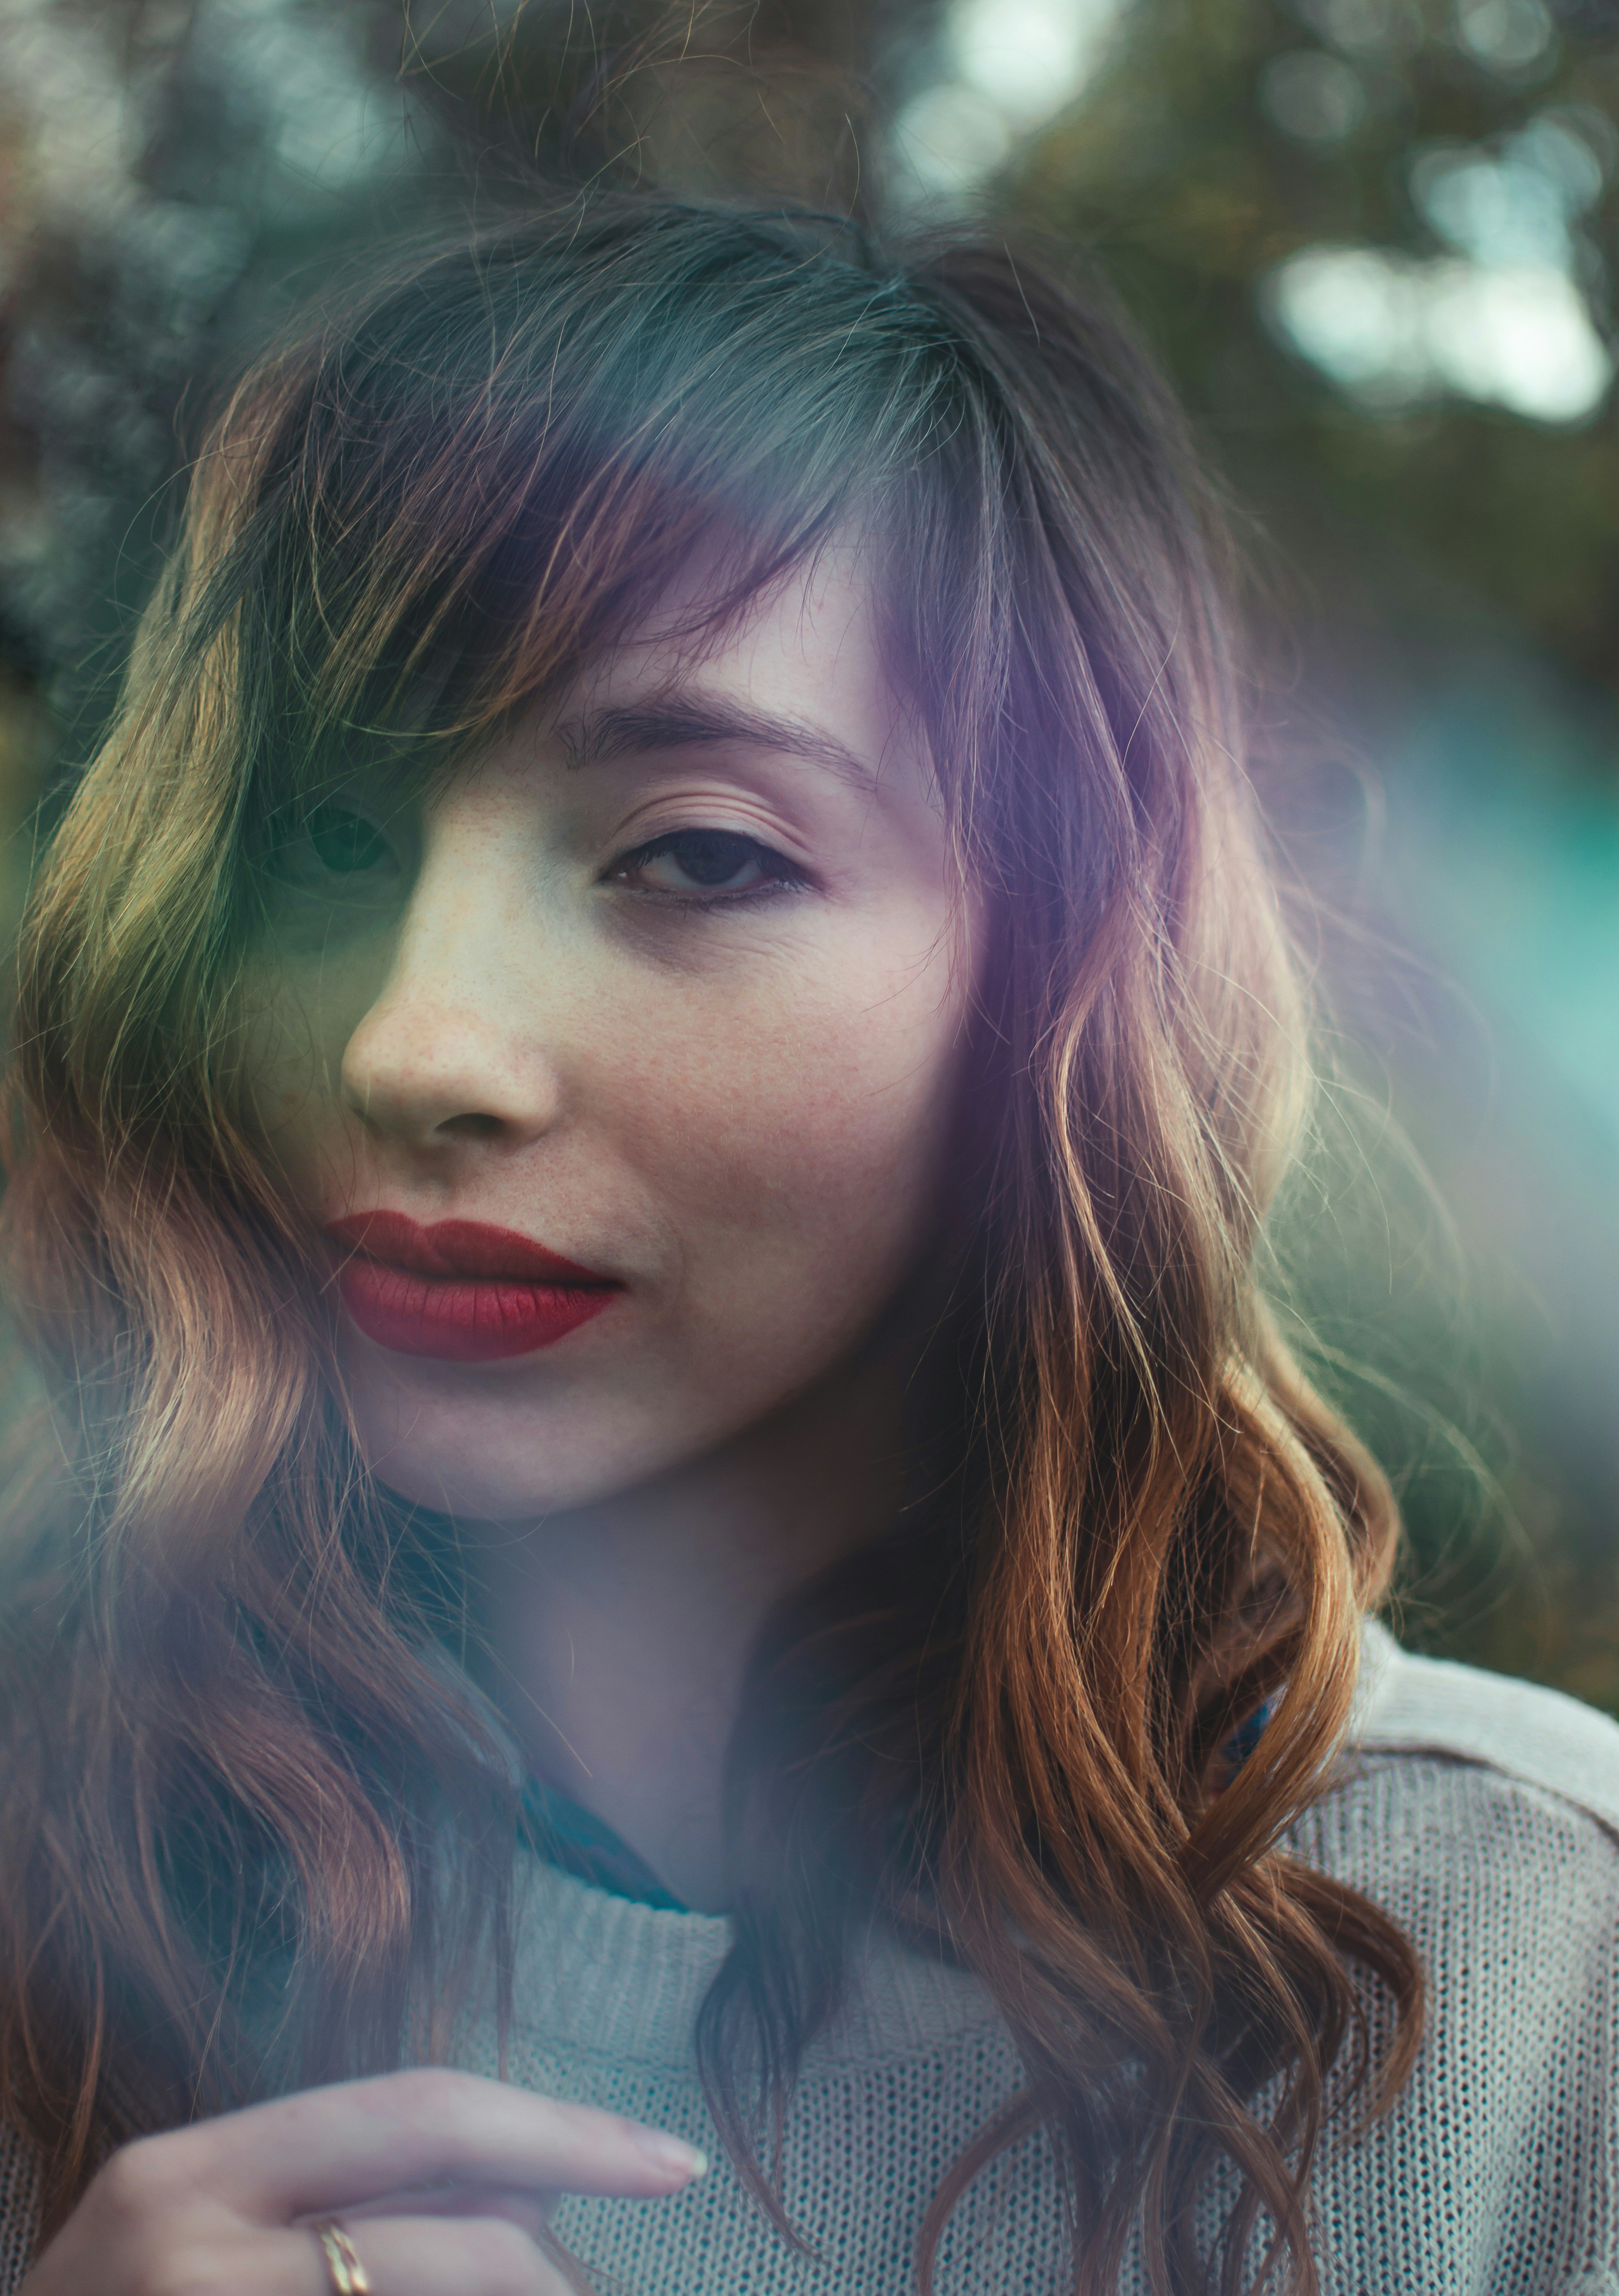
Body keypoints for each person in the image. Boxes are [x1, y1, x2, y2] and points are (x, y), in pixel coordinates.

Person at [0, 189, 1611, 2296]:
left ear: (1048, 977)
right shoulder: (59, 1857)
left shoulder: (1528, 1957)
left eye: (695, 852)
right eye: (327, 837)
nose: (416, 1044)